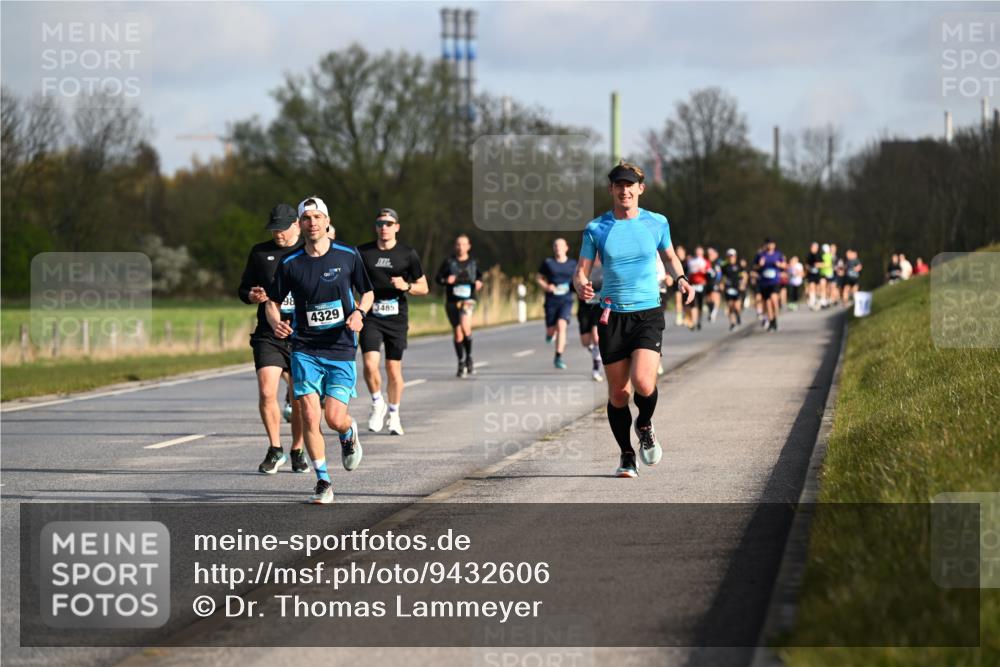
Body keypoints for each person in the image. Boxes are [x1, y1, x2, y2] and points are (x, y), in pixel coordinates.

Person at [574, 161, 694, 479]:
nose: (624, 190)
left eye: (630, 185)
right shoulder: (596, 228)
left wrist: (681, 278)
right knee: (618, 394)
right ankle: (627, 455)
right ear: (612, 190)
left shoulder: (657, 223)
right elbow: (581, 270)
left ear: (640, 188)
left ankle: (644, 424)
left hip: (648, 312)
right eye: (618, 185)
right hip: (612, 314)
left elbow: (669, 257)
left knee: (643, 382)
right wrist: (581, 285)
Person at [266, 196, 374, 504]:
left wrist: (359, 314)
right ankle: (323, 480)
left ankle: (347, 432)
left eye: (317, 217)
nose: (312, 222)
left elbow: (366, 292)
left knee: (333, 417)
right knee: (310, 414)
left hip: (340, 347)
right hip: (305, 349)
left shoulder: (348, 255)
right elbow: (272, 302)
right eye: (306, 218)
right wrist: (276, 322)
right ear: (299, 225)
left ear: (327, 222)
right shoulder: (291, 263)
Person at [238, 204, 308, 474]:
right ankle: (275, 448)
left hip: (303, 335)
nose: (278, 233)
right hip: (268, 334)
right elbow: (243, 288)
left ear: (296, 225)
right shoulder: (260, 252)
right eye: (273, 229)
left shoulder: (308, 251)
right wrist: (251, 295)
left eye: (282, 228)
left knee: (299, 397)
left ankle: (298, 449)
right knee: (267, 390)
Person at [357, 208, 428, 436]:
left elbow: (424, 287)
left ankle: (394, 414)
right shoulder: (363, 252)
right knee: (369, 364)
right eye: (380, 223)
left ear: (397, 226)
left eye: (389, 223)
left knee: (393, 368)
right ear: (376, 227)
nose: (384, 227)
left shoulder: (407, 254)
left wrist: (406, 286)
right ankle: (378, 402)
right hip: (371, 313)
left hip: (396, 315)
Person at [436, 235, 484, 378]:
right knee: (457, 333)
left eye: (463, 244)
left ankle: (469, 357)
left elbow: (480, 276)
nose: (460, 247)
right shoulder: (449, 262)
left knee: (465, 327)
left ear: (468, 246)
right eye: (458, 244)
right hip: (452, 300)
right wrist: (446, 280)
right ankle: (461, 361)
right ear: (455, 246)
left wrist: (479, 282)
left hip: (468, 299)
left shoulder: (473, 262)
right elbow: (438, 278)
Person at [536, 238, 578, 369]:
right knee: (551, 330)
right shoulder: (548, 263)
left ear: (566, 248)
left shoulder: (573, 264)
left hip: (566, 299)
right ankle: (550, 334)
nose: (558, 248)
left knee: (562, 325)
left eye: (560, 246)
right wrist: (546, 286)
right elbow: (538, 277)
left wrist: (579, 288)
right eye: (555, 246)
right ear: (553, 248)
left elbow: (578, 278)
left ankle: (558, 357)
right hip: (551, 300)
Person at [577, 257, 605, 381]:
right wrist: (580, 288)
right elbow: (575, 282)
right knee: (585, 342)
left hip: (600, 306)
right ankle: (596, 351)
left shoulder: (607, 264)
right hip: (585, 307)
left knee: (596, 337)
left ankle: (596, 368)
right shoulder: (584, 264)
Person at [755, 238, 787, 331]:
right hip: (764, 282)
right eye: (768, 244)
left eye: (771, 244)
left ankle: (775, 319)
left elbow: (785, 265)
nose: (770, 246)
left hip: (775, 281)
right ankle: (771, 321)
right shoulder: (761, 255)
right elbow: (754, 267)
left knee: (774, 300)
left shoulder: (778, 254)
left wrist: (779, 265)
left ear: (774, 245)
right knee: (768, 303)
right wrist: (760, 265)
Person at [721, 248, 748, 331]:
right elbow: (721, 277)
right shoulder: (724, 266)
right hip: (728, 287)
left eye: (732, 256)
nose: (731, 257)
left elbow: (745, 275)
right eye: (729, 256)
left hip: (737, 287)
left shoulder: (739, 265)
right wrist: (721, 284)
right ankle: (732, 323)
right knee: (730, 306)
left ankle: (738, 315)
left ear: (735, 256)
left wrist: (743, 284)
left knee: (737, 306)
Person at [685, 246, 710, 331]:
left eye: (700, 252)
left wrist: (705, 272)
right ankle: (694, 322)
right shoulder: (691, 261)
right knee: (693, 304)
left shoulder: (706, 262)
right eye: (697, 252)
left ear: (702, 253)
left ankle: (699, 320)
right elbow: (687, 272)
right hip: (693, 285)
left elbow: (710, 274)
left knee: (700, 305)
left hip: (702, 285)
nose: (698, 254)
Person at [672, 245, 688, 327]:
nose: (679, 253)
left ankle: (686, 317)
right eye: (677, 251)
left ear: (684, 252)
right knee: (678, 301)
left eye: (680, 251)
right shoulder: (675, 262)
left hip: (687, 285)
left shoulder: (688, 261)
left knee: (686, 302)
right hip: (677, 284)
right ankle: (679, 318)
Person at [805, 242, 823, 311]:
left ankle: (817, 300)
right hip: (811, 274)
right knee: (812, 286)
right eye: (814, 247)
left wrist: (818, 265)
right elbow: (806, 265)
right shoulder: (809, 255)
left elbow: (823, 263)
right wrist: (809, 268)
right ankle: (812, 301)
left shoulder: (819, 255)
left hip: (817, 274)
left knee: (818, 287)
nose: (815, 249)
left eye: (816, 247)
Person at [819, 243, 835, 307]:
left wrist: (822, 264)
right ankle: (823, 300)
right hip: (823, 273)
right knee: (823, 287)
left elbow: (830, 264)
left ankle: (828, 299)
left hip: (829, 273)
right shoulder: (822, 255)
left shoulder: (830, 256)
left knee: (828, 287)